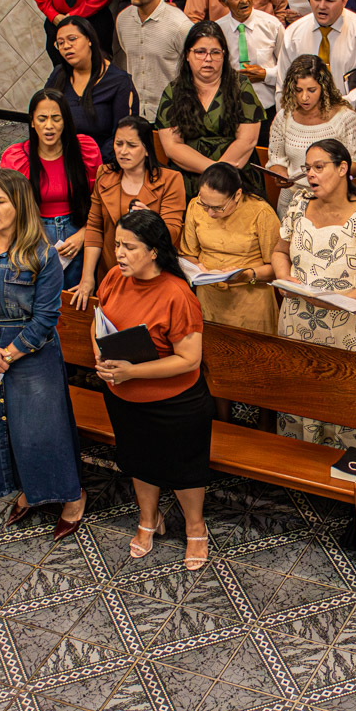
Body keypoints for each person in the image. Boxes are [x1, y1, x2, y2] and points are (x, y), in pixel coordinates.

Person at [0, 169, 86, 538]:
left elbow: (45, 320)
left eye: (0, 201)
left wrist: (4, 357)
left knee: (41, 430)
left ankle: (72, 497)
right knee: (0, 428)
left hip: (31, 356)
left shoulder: (42, 255)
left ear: (20, 206)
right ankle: (29, 490)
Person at [96, 209, 214, 569]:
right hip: (124, 395)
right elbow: (98, 319)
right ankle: (149, 519)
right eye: (117, 244)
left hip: (175, 402)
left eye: (129, 247)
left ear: (153, 251)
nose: (119, 253)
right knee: (139, 460)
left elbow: (189, 359)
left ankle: (195, 527)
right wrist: (100, 355)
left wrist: (133, 371)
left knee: (184, 469)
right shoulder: (114, 278)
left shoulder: (177, 294)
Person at [271, 139, 356, 449]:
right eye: (307, 168)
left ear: (342, 169)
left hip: (346, 329)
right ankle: (300, 457)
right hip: (299, 321)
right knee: (302, 394)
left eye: (319, 167)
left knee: (342, 400)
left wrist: (335, 301)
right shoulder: (298, 204)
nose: (310, 174)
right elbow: (279, 252)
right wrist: (285, 279)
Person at [72, 116, 186, 304]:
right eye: (119, 144)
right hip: (110, 275)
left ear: (147, 149)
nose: (123, 151)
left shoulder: (171, 180)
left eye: (132, 145)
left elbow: (173, 232)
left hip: (153, 278)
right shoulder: (104, 174)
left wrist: (151, 222)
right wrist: (87, 278)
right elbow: (94, 229)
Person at [0, 89, 101, 291]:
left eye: (56, 118)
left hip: (77, 235)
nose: (49, 126)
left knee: (73, 301)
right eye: (42, 118)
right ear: (32, 122)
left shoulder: (85, 149)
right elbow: (7, 211)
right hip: (32, 236)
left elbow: (99, 200)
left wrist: (84, 234)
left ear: (66, 121)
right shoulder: (16, 158)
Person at [156, 21, 265, 197]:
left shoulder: (241, 86)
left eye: (215, 52)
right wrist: (214, 171)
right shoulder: (174, 91)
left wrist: (223, 176)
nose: (208, 59)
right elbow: (172, 146)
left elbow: (247, 141)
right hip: (189, 179)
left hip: (236, 178)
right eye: (200, 52)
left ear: (224, 55)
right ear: (187, 55)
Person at [180, 162, 279, 333]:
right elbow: (187, 253)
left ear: (237, 195)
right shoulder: (195, 206)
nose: (210, 213)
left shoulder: (261, 212)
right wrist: (198, 269)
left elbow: (277, 266)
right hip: (209, 296)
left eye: (218, 208)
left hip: (250, 298)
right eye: (205, 205)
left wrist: (247, 275)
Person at [267, 56, 356, 215]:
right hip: (291, 201)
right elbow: (276, 159)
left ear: (324, 88)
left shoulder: (346, 118)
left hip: (332, 200)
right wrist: (280, 174)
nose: (304, 97)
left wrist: (333, 171)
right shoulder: (284, 117)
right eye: (298, 90)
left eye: (311, 90)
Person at [44, 14, 137, 161]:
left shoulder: (119, 81)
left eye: (72, 39)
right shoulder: (59, 74)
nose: (66, 46)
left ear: (89, 39)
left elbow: (123, 135)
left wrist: (93, 161)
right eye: (60, 43)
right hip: (60, 157)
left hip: (103, 162)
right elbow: (42, 114)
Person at [114, 0, 192, 122]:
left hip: (171, 115)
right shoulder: (123, 19)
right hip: (136, 114)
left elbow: (194, 69)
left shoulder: (180, 25)